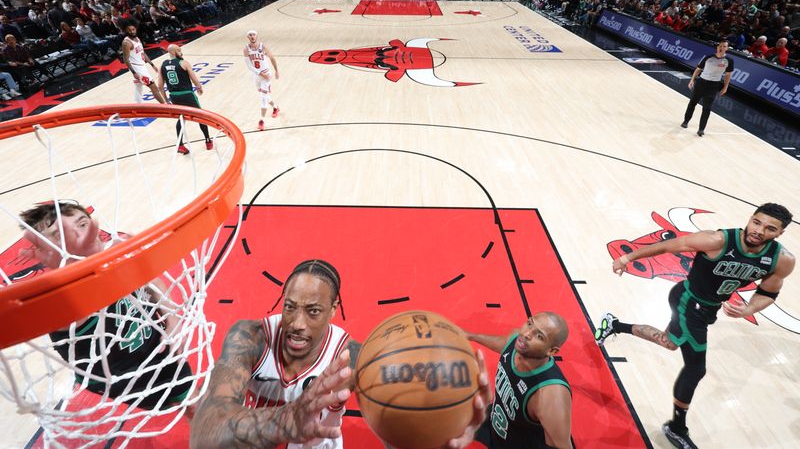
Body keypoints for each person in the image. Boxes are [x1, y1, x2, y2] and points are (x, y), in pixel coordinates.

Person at [191, 259, 490, 449]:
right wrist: (287, 420)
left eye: (313, 311)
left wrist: (440, 432)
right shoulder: (250, 337)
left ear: (334, 310)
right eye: (290, 306)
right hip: (254, 441)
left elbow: (398, 428)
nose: (296, 323)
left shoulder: (351, 357)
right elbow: (204, 434)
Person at [595, 203, 795, 449]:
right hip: (689, 302)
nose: (759, 230)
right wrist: (627, 257)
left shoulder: (781, 260)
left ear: (779, 233)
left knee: (669, 342)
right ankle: (676, 427)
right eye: (756, 222)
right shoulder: (718, 240)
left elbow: (769, 292)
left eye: (769, 228)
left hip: (707, 308)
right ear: (750, 219)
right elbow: (669, 245)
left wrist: (750, 309)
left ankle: (614, 324)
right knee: (696, 368)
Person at [19, 201, 194, 411]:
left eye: (82, 224)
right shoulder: (60, 299)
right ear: (45, 251)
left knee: (199, 404)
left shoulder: (116, 255)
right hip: (122, 376)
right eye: (60, 235)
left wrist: (172, 319)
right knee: (202, 404)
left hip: (156, 347)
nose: (79, 235)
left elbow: (153, 282)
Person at [465, 313, 572, 449]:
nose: (527, 334)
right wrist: (471, 336)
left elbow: (562, 446)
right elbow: (504, 344)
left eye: (539, 336)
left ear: (551, 351)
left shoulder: (551, 394)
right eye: (529, 323)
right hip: (495, 422)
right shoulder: (516, 341)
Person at [157, 44, 212, 154]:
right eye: (179, 51)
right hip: (187, 94)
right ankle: (208, 141)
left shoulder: (162, 65)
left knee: (181, 118)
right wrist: (199, 87)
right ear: (173, 52)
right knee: (201, 116)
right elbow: (194, 79)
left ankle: (180, 145)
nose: (181, 53)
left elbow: (160, 86)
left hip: (174, 95)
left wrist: (166, 100)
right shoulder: (184, 63)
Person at [681, 40, 733, 137]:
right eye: (720, 46)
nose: (722, 48)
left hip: (713, 86)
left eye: (724, 46)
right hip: (701, 83)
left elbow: (728, 75)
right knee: (693, 103)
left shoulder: (729, 61)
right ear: (717, 47)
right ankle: (686, 121)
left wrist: (725, 87)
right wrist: (692, 80)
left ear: (727, 48)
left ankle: (701, 129)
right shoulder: (708, 57)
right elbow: (698, 69)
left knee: (707, 108)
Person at [243, 29, 280, 131]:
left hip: (266, 75)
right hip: (257, 76)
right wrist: (260, 73)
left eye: (254, 34)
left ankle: (261, 121)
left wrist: (276, 71)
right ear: (248, 37)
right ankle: (276, 108)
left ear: (257, 36)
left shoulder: (263, 47)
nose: (252, 36)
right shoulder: (246, 49)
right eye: (250, 35)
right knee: (265, 95)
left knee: (263, 98)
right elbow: (249, 65)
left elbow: (272, 58)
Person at [121, 21, 166, 104]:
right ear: (126, 31)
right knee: (154, 88)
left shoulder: (137, 38)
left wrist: (152, 64)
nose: (132, 32)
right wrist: (134, 72)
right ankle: (165, 106)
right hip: (137, 68)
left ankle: (137, 104)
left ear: (136, 29)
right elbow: (126, 60)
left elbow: (143, 52)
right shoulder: (126, 43)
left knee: (138, 87)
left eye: (133, 29)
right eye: (129, 30)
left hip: (142, 65)